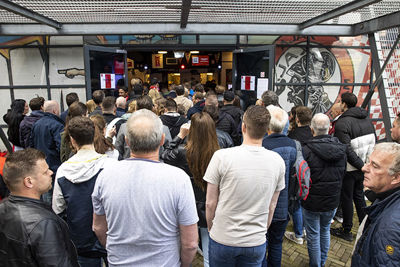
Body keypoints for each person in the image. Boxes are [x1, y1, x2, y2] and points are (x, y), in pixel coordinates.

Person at [92, 109, 198, 266]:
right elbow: (190, 243)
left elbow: (98, 227)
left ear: (127, 141)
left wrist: (117, 251)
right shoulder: (178, 179)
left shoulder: (105, 176)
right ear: (163, 140)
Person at [204, 105, 285, 267]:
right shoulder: (277, 161)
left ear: (243, 127)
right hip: (255, 241)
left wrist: (211, 228)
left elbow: (210, 202)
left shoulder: (221, 157)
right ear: (268, 129)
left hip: (223, 238)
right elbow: (272, 204)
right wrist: (262, 230)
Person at [0, 148, 79, 266]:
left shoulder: (3, 208)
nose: (51, 172)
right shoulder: (44, 223)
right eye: (45, 171)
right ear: (29, 182)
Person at [161, 112, 220, 267]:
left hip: (186, 206)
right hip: (210, 206)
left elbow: (165, 156)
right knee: (209, 252)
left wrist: (180, 135)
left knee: (183, 247)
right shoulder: (219, 152)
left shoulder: (182, 151)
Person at [53, 117, 108, 267]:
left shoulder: (63, 170)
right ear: (95, 135)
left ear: (72, 140)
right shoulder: (110, 165)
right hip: (110, 236)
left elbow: (58, 209)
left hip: (80, 239)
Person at [302, 113, 347, 267]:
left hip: (312, 201)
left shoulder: (306, 150)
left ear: (311, 129)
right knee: (325, 230)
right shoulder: (342, 150)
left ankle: (316, 264)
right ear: (329, 128)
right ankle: (321, 262)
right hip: (332, 199)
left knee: (313, 235)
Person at [331, 92, 376, 241]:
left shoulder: (343, 123)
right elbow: (372, 142)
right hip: (362, 165)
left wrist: (360, 165)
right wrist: (365, 164)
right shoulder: (367, 119)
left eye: (339, 101)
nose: (337, 103)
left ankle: (347, 230)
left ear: (343, 104)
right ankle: (366, 227)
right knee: (358, 196)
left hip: (351, 167)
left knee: (347, 198)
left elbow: (345, 148)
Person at [352, 142, 400, 267]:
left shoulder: (389, 227)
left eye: (375, 166)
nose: (364, 168)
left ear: (396, 178)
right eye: (368, 162)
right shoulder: (387, 198)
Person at [261, 105, 297, 267]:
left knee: (262, 243)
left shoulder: (262, 146)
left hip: (263, 206)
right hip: (283, 207)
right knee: (276, 244)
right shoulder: (292, 145)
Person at [285, 105, 313, 245]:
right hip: (310, 174)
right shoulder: (313, 133)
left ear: (296, 118)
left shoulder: (293, 137)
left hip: (297, 176)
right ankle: (305, 230)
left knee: (295, 204)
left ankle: (298, 234)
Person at [30, 100, 64, 204]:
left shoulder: (36, 124)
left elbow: (31, 144)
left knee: (45, 193)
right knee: (54, 196)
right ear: (55, 111)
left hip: (40, 164)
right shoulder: (57, 125)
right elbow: (61, 148)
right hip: (54, 165)